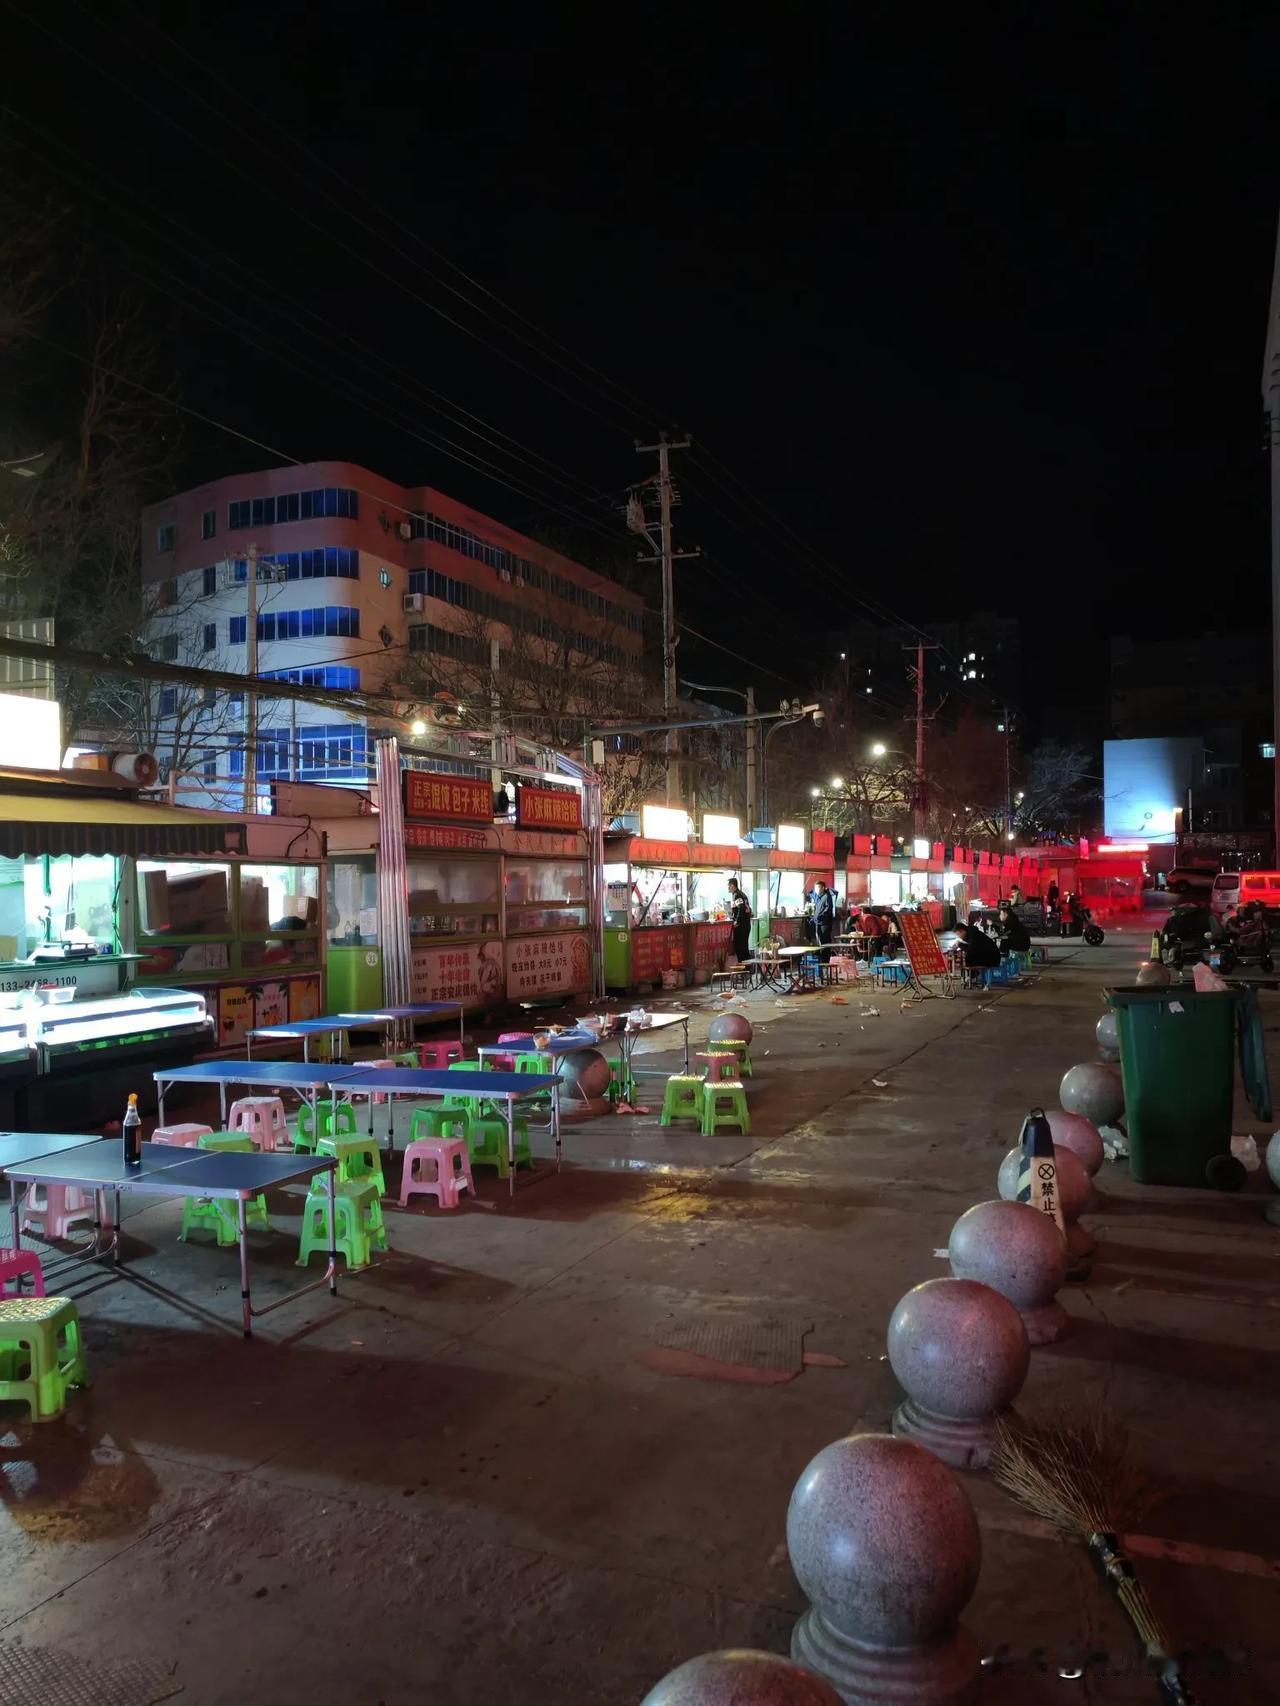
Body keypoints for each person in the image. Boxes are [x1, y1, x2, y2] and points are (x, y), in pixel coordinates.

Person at [726, 878, 753, 965]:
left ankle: (743, 968)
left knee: (739, 947)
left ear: (732, 885)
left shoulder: (736, 895)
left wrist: (736, 922)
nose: (728, 887)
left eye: (728, 885)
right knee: (744, 947)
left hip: (741, 926)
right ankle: (747, 968)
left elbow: (741, 908)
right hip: (746, 924)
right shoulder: (742, 894)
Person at [811, 879, 836, 956]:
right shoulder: (819, 898)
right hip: (818, 922)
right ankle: (822, 958)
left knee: (825, 941)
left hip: (825, 923)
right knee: (820, 940)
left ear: (823, 888)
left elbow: (828, 908)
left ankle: (826, 959)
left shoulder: (827, 896)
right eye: (815, 888)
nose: (816, 890)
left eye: (818, 888)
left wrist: (820, 917)